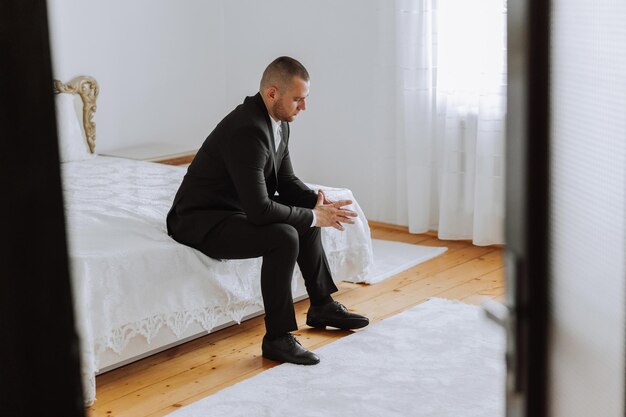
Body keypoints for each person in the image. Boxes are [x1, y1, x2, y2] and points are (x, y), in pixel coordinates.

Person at [166, 56, 369, 365]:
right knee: (285, 236)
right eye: (298, 99)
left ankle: (321, 306)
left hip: (234, 210)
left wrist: (316, 201)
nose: (303, 107)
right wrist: (315, 216)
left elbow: (285, 181)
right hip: (200, 220)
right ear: (273, 93)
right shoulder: (246, 130)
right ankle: (276, 338)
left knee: (304, 212)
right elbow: (260, 211)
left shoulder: (277, 123)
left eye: (305, 99)